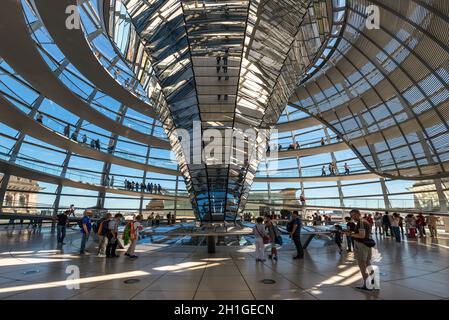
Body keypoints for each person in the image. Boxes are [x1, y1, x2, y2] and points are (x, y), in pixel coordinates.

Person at [348, 209, 375, 291]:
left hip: (361, 246)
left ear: (357, 214)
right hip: (367, 245)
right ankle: (373, 283)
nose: (352, 217)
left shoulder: (361, 222)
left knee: (362, 265)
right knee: (368, 264)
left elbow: (361, 235)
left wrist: (350, 234)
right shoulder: (365, 221)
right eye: (351, 216)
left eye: (353, 215)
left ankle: (367, 285)